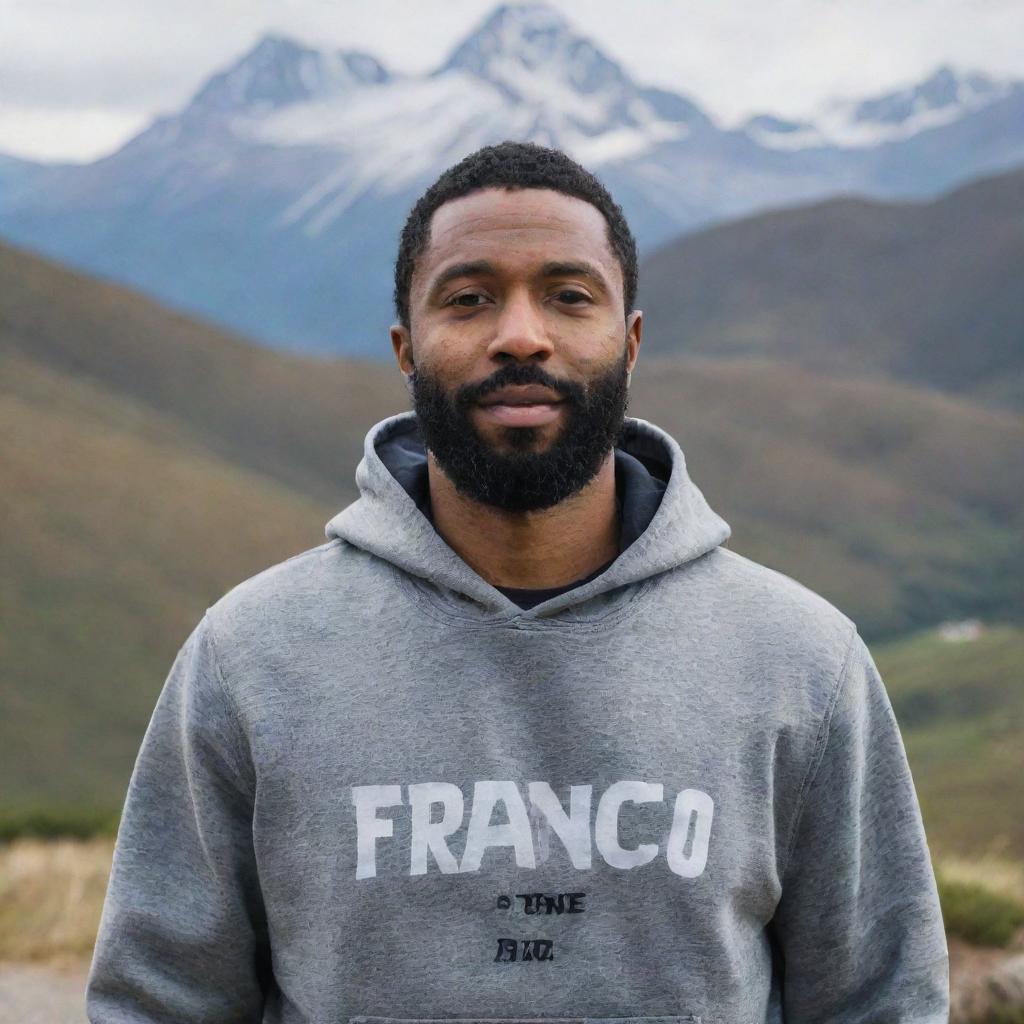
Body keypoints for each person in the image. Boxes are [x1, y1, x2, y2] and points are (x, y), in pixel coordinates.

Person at [86, 140, 950, 1023]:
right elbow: (158, 1001)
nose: (521, 335)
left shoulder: (801, 659)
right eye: (468, 299)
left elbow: (882, 999)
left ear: (630, 342)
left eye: (570, 297)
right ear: (406, 349)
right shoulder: (250, 656)